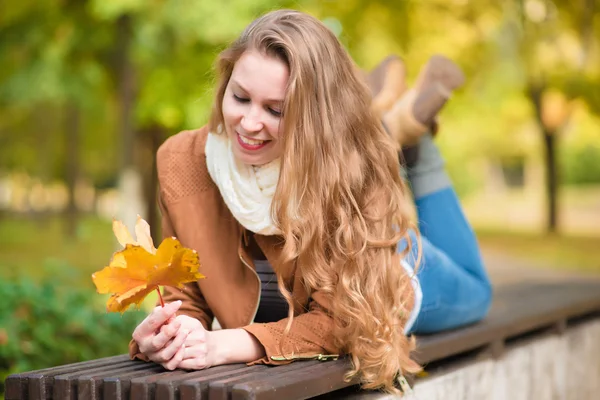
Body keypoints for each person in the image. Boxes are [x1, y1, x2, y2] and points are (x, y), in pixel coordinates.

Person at [128, 9, 492, 394]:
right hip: (311, 299)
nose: (250, 123)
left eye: (276, 110)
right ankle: (389, 126)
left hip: (383, 268)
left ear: (314, 117)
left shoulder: (349, 167)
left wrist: (230, 343)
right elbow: (186, 298)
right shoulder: (181, 161)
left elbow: (347, 319)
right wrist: (166, 334)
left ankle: (416, 147)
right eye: (240, 97)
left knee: (478, 293)